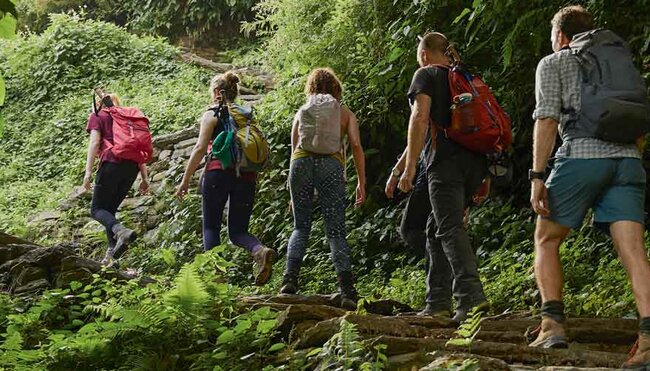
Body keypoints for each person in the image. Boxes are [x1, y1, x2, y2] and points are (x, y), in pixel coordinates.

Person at [529, 6, 650, 367]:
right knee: (632, 249)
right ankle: (647, 339)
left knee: (546, 238)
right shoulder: (616, 60)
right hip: (628, 160)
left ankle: (552, 326)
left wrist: (537, 176)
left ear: (561, 35)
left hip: (581, 156)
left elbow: (547, 118)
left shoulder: (554, 63)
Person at [398, 32, 489, 322]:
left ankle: (471, 299)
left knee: (449, 229)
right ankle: (437, 301)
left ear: (424, 54)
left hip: (445, 164)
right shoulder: (463, 76)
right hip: (475, 162)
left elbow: (420, 118)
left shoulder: (425, 74)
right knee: (435, 228)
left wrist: (411, 168)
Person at [176, 72, 277, 286]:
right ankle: (259, 250)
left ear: (216, 92)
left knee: (211, 227)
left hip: (218, 173)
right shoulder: (247, 116)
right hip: (247, 177)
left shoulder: (212, 113)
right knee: (238, 231)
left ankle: (216, 280)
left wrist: (185, 180)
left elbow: (200, 147)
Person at [279, 68, 366, 310]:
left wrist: (291, 188)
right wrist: (361, 181)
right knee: (336, 231)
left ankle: (289, 281)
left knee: (300, 226)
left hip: (301, 164)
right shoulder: (345, 113)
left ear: (311, 87)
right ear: (336, 89)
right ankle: (347, 290)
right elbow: (356, 145)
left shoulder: (302, 111)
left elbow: (294, 149)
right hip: (331, 164)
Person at [83, 93, 149, 266]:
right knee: (109, 212)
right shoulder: (126, 120)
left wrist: (88, 172)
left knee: (96, 210)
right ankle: (112, 256)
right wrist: (144, 177)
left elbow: (95, 142)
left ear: (98, 103)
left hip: (111, 163)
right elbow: (137, 148)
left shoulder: (99, 115)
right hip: (132, 168)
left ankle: (120, 231)